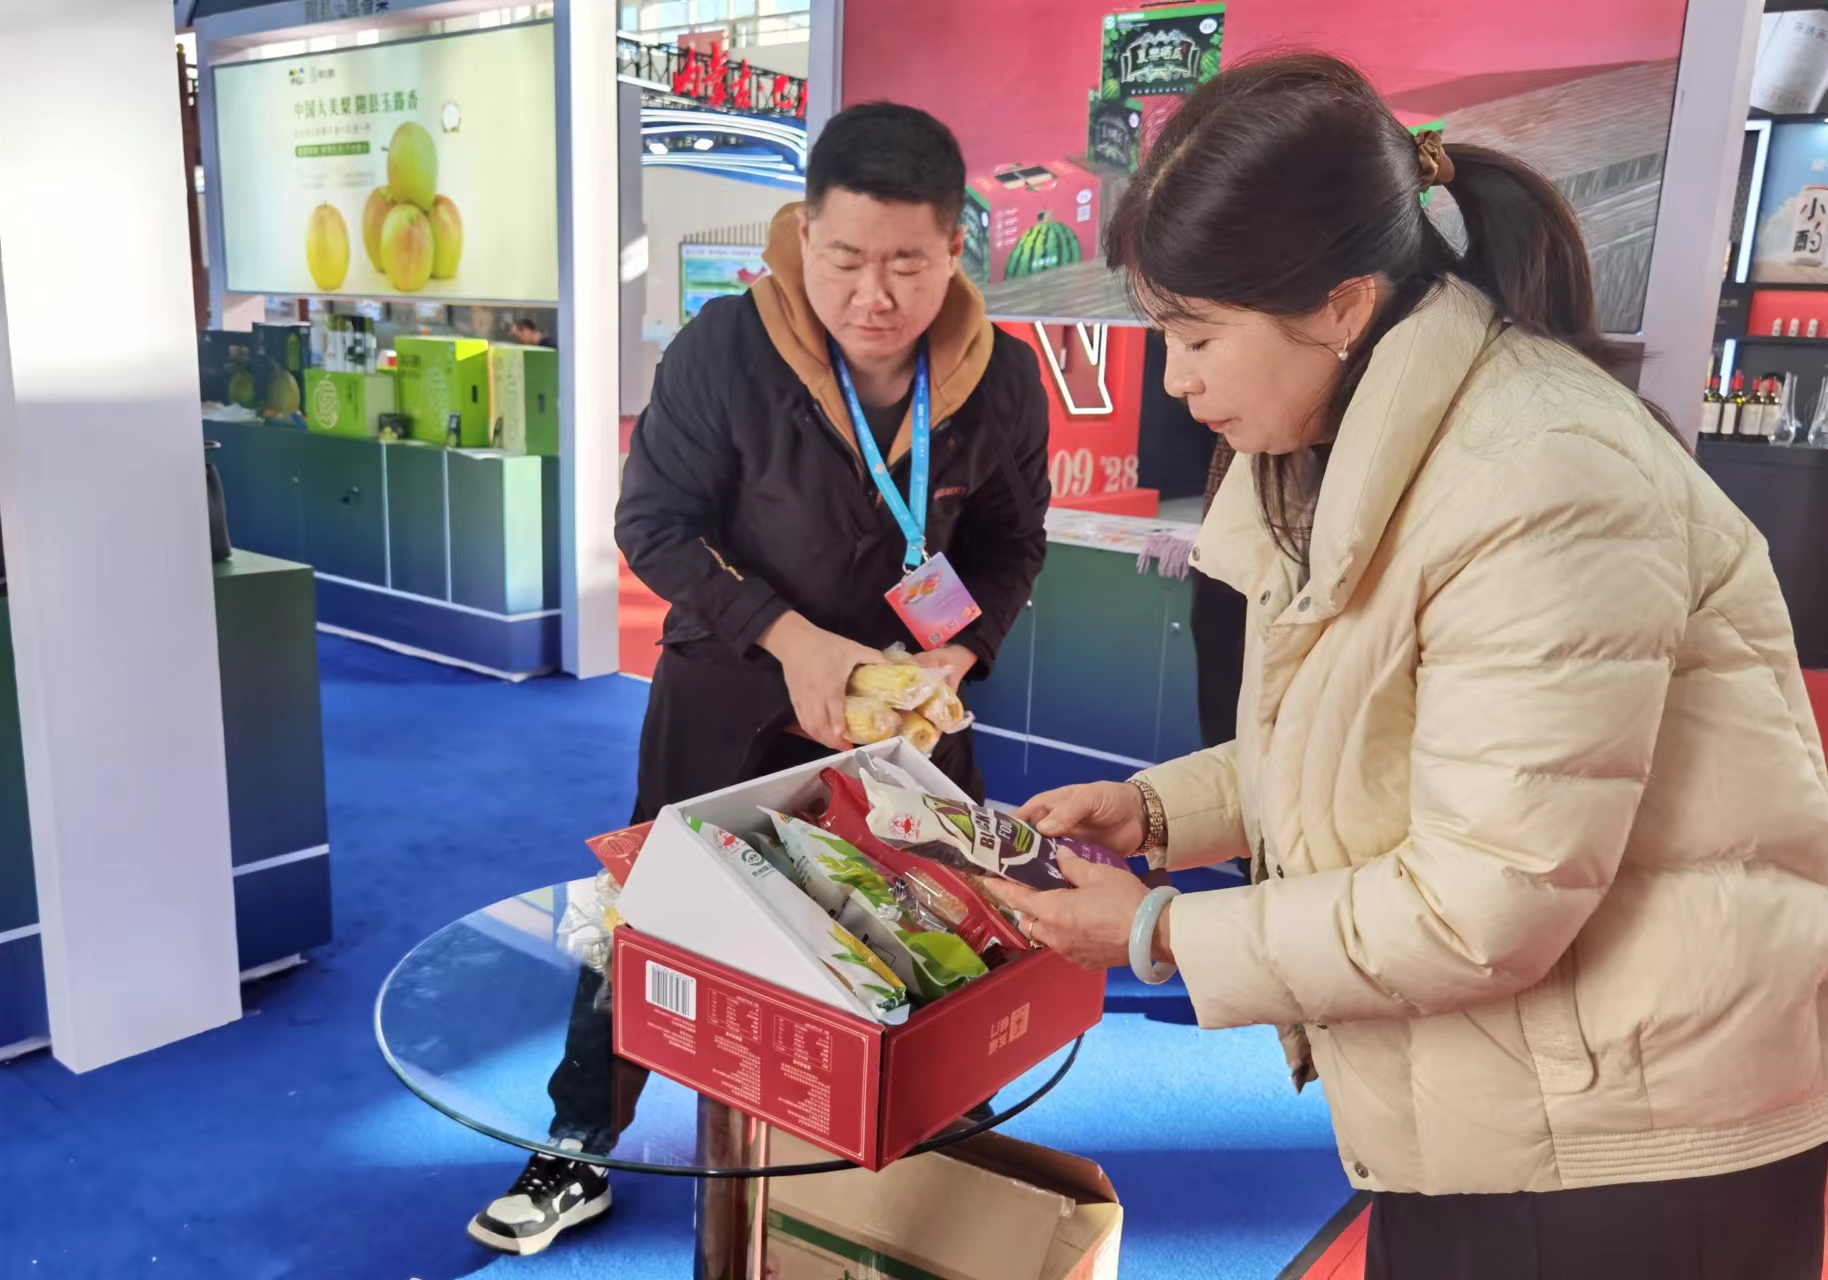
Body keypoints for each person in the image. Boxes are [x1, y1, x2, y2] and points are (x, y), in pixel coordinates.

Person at [993, 53, 1828, 1279]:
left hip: (1630, 1152)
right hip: (1502, 1109)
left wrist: (1160, 932)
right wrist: (1158, 810)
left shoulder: (1538, 477)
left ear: (1341, 305)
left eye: (1197, 334)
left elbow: (1485, 899)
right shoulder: (1350, 445)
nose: (1177, 378)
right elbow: (1366, 739)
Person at [465, 101, 1051, 1256]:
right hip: (732, 684)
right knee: (650, 906)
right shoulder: (725, 351)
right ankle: (579, 1141)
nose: (873, 295)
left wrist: (958, 651)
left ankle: (946, 1139)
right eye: (845, 258)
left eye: (907, 264)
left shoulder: (1002, 381)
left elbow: (1007, 545)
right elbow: (654, 526)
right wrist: (789, 637)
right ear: (804, 234)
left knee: (938, 915)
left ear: (954, 249)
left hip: (909, 712)